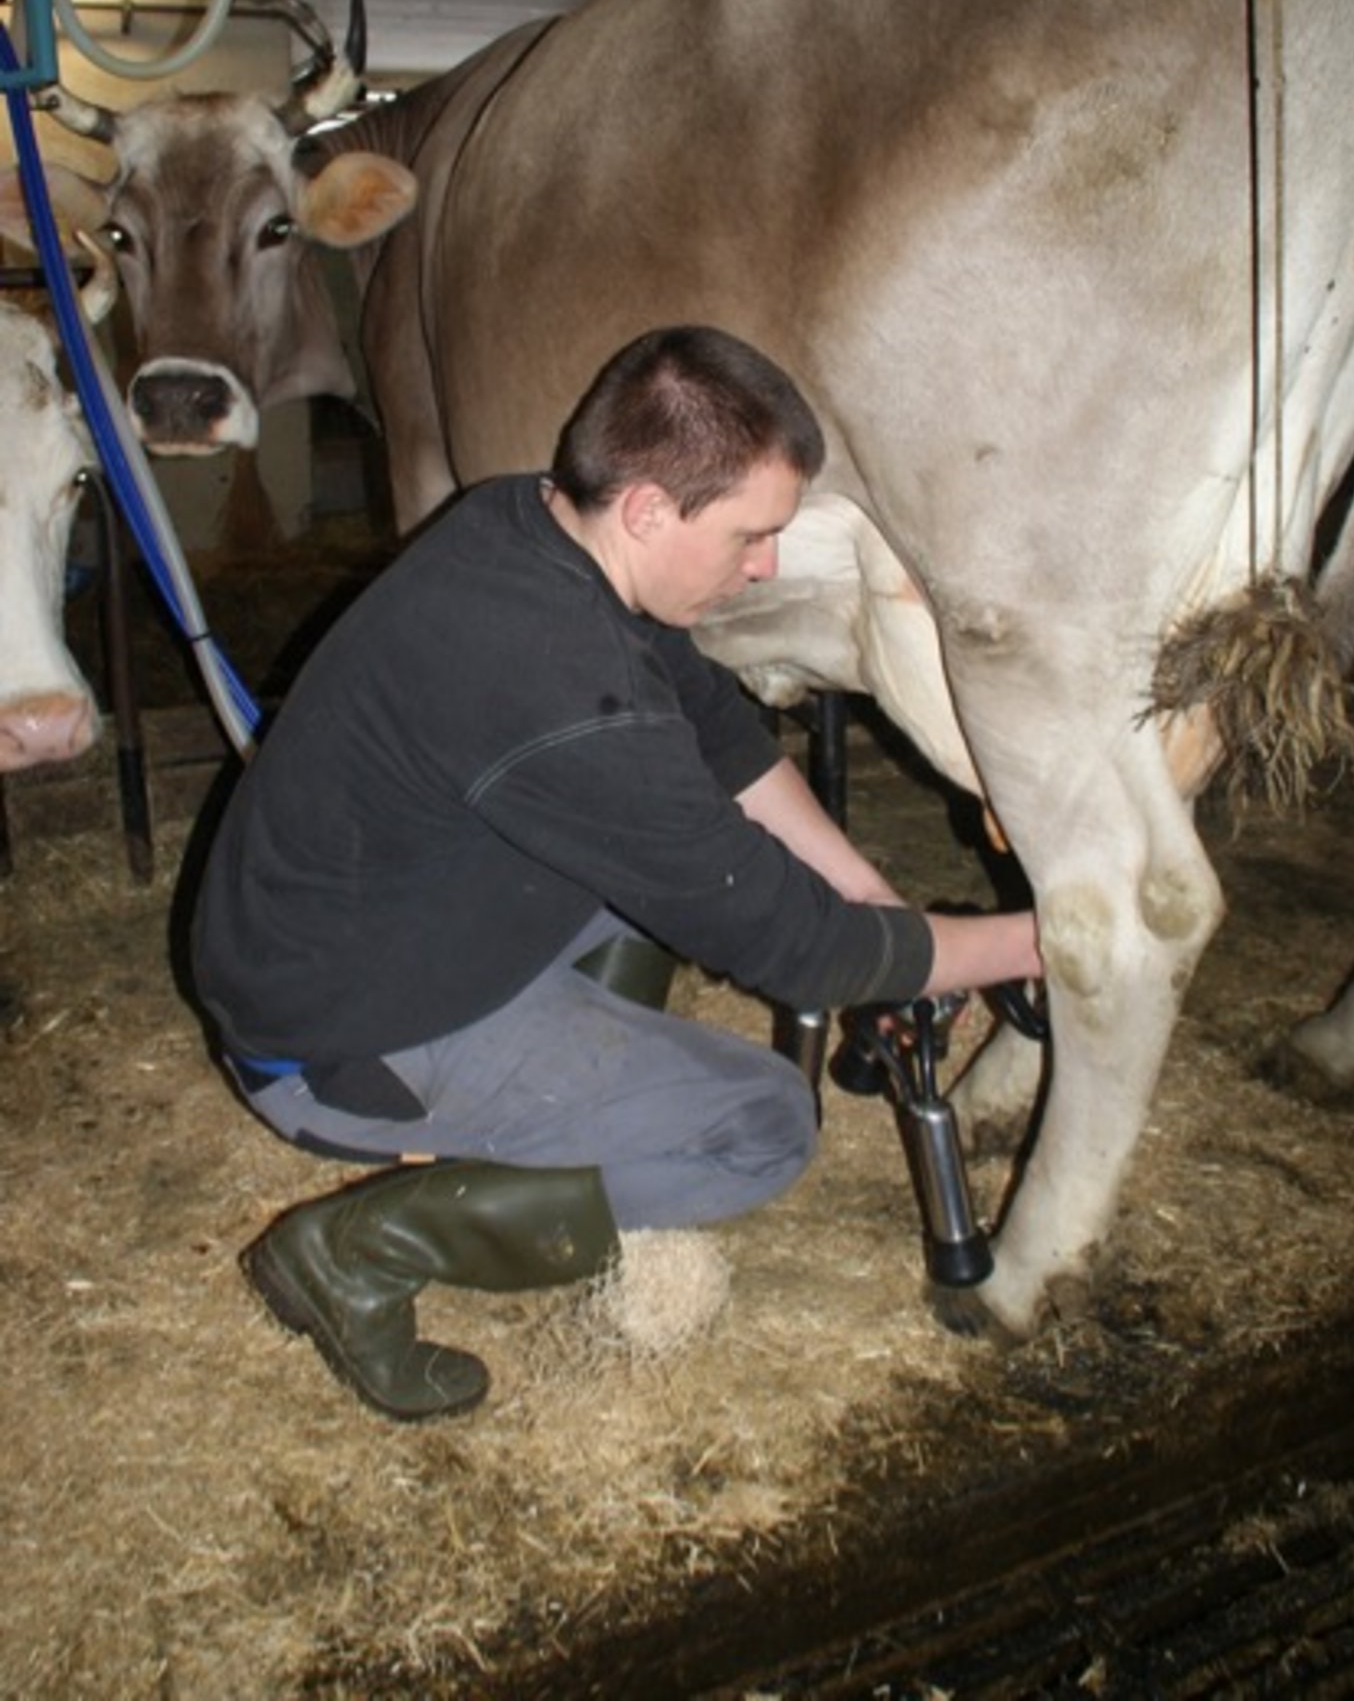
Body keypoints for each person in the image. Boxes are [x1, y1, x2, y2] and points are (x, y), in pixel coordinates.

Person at [193, 325, 1040, 1421]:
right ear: (645, 508)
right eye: (751, 534)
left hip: (331, 932)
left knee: (662, 856)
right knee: (763, 1128)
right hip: (330, 1040)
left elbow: (714, 734)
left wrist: (867, 891)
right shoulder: (556, 682)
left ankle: (556, 1097)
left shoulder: (525, 521)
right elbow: (796, 950)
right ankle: (356, 1252)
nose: (766, 564)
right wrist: (1020, 941)